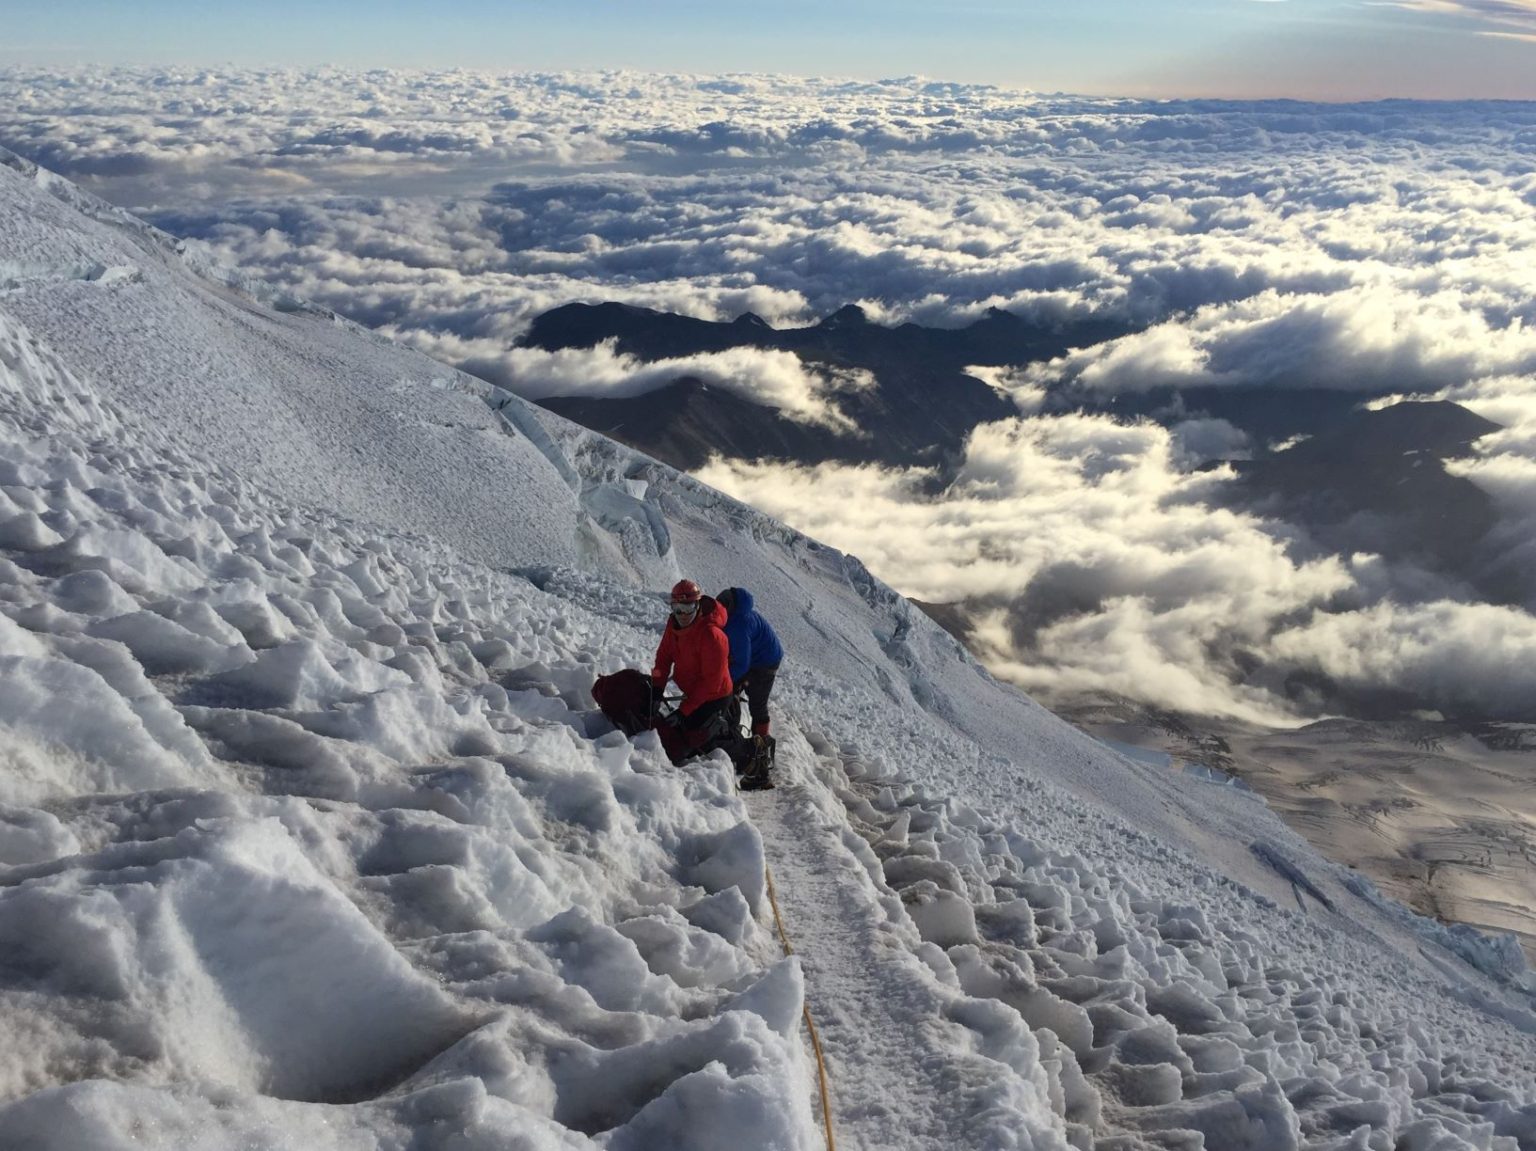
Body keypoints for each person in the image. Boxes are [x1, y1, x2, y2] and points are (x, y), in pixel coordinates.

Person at [651, 579, 734, 756]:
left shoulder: (712, 636)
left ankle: (741, 746)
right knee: (678, 736)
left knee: (692, 743)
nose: (682, 614)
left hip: (715, 696)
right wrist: (657, 689)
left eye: (687, 608)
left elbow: (711, 683)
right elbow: (663, 659)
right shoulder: (673, 624)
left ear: (697, 606)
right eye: (677, 608)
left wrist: (684, 711)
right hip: (694, 692)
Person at [716, 586, 782, 744]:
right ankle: (729, 725)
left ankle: (761, 744)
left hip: (766, 661)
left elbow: (741, 664)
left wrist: (723, 681)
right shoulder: (734, 616)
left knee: (757, 703)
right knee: (731, 687)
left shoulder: (738, 625)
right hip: (753, 654)